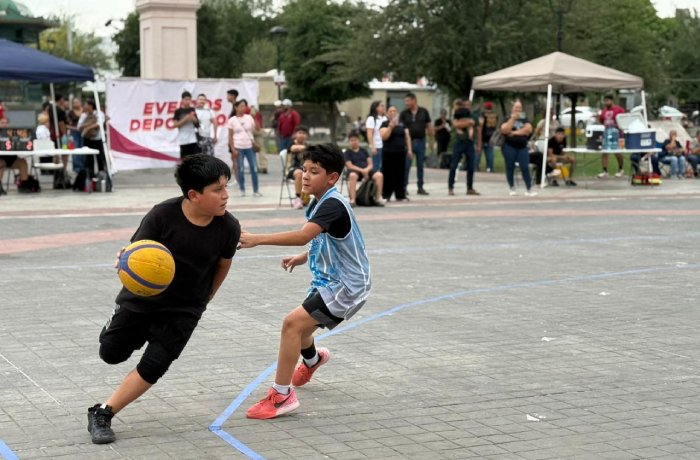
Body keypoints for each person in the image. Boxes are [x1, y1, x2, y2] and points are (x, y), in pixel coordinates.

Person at [85, 154, 240, 444]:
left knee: (155, 364)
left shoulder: (229, 227)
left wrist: (203, 303)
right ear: (193, 195)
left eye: (226, 187)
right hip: (143, 299)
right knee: (111, 354)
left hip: (185, 307)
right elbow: (136, 252)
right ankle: (120, 327)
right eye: (218, 189)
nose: (225, 195)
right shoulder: (162, 215)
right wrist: (124, 258)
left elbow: (222, 266)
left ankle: (103, 412)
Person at [238, 143, 370, 420]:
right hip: (331, 279)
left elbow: (304, 234)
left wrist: (257, 239)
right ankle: (313, 359)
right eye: (304, 169)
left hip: (347, 286)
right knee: (303, 326)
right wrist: (302, 257)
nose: (306, 175)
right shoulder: (321, 201)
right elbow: (324, 239)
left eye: (314, 171)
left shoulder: (333, 204)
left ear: (332, 177)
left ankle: (281, 396)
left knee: (292, 324)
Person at [501, 100, 537, 196]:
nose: (517, 109)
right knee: (510, 167)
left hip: (522, 147)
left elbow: (528, 130)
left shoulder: (524, 118)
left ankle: (529, 189)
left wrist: (514, 133)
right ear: (512, 108)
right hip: (509, 146)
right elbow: (504, 130)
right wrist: (512, 119)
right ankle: (512, 187)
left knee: (525, 167)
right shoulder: (507, 118)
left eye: (519, 107)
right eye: (516, 107)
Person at [400, 92, 432, 195]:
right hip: (409, 143)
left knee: (420, 165)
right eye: (405, 101)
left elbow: (429, 126)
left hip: (421, 141)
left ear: (414, 100)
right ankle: (404, 187)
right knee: (406, 166)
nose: (406, 103)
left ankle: (420, 187)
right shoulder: (404, 114)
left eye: (408, 101)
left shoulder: (424, 111)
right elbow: (402, 128)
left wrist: (431, 140)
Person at [228, 99, 261, 197]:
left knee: (254, 168)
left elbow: (258, 128)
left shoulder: (249, 117)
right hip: (238, 147)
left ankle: (256, 190)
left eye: (245, 106)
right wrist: (233, 149)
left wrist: (255, 117)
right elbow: (230, 136)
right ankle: (242, 189)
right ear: (236, 107)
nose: (243, 108)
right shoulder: (232, 120)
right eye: (241, 106)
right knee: (240, 169)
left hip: (250, 146)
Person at [344, 131, 385, 206]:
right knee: (352, 175)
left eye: (355, 140)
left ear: (358, 140)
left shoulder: (364, 151)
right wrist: (362, 170)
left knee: (379, 175)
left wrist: (366, 170)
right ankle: (353, 200)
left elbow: (370, 164)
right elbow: (349, 165)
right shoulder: (347, 152)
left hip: (366, 170)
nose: (354, 142)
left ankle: (378, 198)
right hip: (355, 171)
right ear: (349, 142)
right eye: (352, 140)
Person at [448, 98, 479, 196]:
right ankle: (450, 187)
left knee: (471, 166)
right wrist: (464, 124)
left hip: (469, 142)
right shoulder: (457, 113)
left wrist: (461, 125)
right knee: (454, 165)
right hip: (459, 142)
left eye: (469, 105)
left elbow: (472, 123)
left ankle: (469, 187)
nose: (467, 107)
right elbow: (455, 124)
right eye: (466, 105)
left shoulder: (472, 114)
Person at [380, 105, 412, 201]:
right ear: (387, 113)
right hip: (388, 153)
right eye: (390, 111)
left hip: (401, 152)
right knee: (388, 174)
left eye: (394, 111)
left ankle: (400, 194)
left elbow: (407, 137)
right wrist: (391, 126)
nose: (392, 113)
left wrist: (409, 149)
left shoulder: (402, 124)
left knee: (400, 174)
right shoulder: (384, 124)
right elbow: (384, 137)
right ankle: (386, 194)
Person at [78, 99, 107, 177]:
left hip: (97, 139)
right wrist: (89, 124)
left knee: (100, 158)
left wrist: (88, 128)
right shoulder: (84, 115)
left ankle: (102, 176)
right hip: (87, 139)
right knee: (88, 159)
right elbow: (79, 126)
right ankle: (90, 176)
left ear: (91, 106)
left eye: (86, 105)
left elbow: (99, 123)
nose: (84, 106)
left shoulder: (99, 114)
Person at [598, 95, 625, 178]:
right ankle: (605, 170)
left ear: (612, 100)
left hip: (618, 134)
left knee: (617, 152)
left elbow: (623, 120)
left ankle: (621, 169)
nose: (606, 102)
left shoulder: (619, 110)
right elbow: (601, 120)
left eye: (607, 100)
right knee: (605, 152)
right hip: (607, 133)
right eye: (605, 101)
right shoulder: (604, 111)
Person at [286, 125, 310, 209]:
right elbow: (293, 148)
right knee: (299, 173)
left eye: (304, 133)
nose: (302, 135)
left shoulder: (308, 145)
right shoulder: (291, 143)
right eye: (300, 133)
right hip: (293, 169)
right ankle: (298, 198)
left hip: (306, 169)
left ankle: (310, 196)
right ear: (295, 135)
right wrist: (307, 148)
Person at [172, 91, 200, 159]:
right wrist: (186, 118)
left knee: (195, 160)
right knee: (185, 161)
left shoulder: (193, 110)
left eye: (189, 99)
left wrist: (193, 118)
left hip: (193, 139)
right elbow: (175, 125)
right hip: (183, 140)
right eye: (186, 99)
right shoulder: (178, 111)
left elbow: (197, 124)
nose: (188, 101)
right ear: (182, 100)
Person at [365, 101, 387, 173]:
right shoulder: (371, 119)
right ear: (376, 108)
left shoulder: (385, 118)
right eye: (381, 106)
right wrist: (372, 146)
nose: (383, 107)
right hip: (377, 146)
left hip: (385, 145)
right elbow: (369, 133)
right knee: (376, 167)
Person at [477, 102, 498, 172]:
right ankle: (490, 168)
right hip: (492, 136)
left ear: (485, 107)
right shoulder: (495, 115)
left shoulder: (482, 115)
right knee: (490, 153)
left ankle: (476, 166)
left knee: (478, 152)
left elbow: (480, 125)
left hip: (483, 136)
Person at [66, 98, 85, 172]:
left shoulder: (84, 111)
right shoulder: (70, 113)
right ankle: (77, 167)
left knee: (84, 148)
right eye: (74, 103)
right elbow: (66, 124)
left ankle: (84, 166)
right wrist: (75, 128)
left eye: (77, 102)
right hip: (74, 132)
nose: (76, 104)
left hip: (84, 132)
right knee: (76, 148)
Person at [251, 105, 267, 174]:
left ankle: (263, 166)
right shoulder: (246, 111)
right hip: (250, 132)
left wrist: (254, 117)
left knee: (260, 149)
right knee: (250, 150)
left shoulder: (257, 113)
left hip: (257, 131)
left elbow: (258, 126)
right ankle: (258, 166)